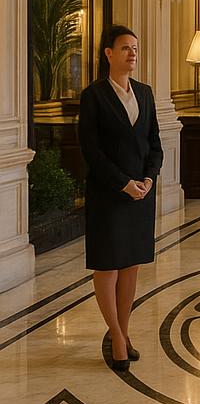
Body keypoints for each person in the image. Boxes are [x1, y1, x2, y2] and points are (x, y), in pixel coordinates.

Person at [78, 25, 162, 372]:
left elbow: (154, 144)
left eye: (135, 49)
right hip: (108, 194)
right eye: (126, 48)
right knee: (108, 266)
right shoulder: (93, 95)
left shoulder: (144, 92)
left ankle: (124, 334)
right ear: (108, 53)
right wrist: (122, 183)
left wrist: (147, 178)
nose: (132, 54)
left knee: (131, 265)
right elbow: (91, 151)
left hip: (140, 195)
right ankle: (115, 336)